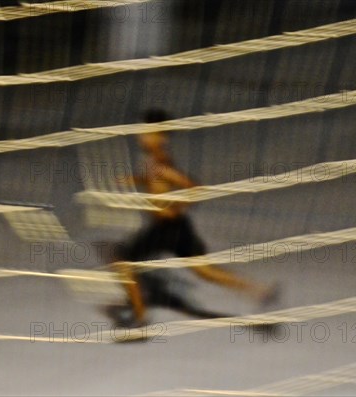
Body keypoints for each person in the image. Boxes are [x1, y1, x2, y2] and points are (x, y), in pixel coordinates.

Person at [107, 109, 277, 328]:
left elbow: (194, 187)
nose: (142, 137)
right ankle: (260, 291)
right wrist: (135, 179)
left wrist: (176, 207)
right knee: (205, 272)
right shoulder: (151, 161)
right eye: (141, 132)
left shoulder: (159, 163)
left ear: (162, 136)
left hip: (166, 229)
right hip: (176, 228)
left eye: (148, 133)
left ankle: (139, 318)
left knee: (123, 261)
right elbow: (156, 181)